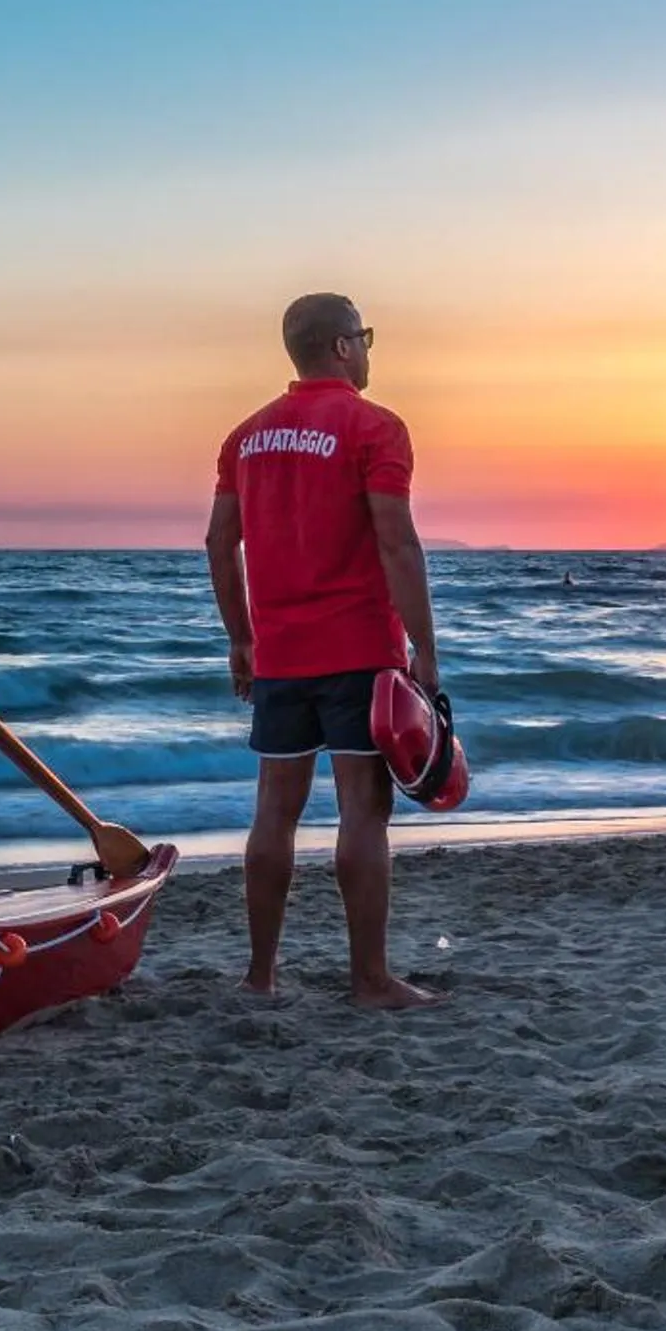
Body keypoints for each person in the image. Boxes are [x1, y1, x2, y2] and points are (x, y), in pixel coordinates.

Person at [204, 293, 446, 1009]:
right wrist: (425, 651)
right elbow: (396, 541)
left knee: (275, 811)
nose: (369, 350)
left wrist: (240, 637)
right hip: (359, 650)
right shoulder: (375, 427)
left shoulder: (245, 436)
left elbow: (221, 543)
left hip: (280, 654)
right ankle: (369, 980)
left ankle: (260, 976)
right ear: (342, 346)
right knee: (362, 812)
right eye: (364, 338)